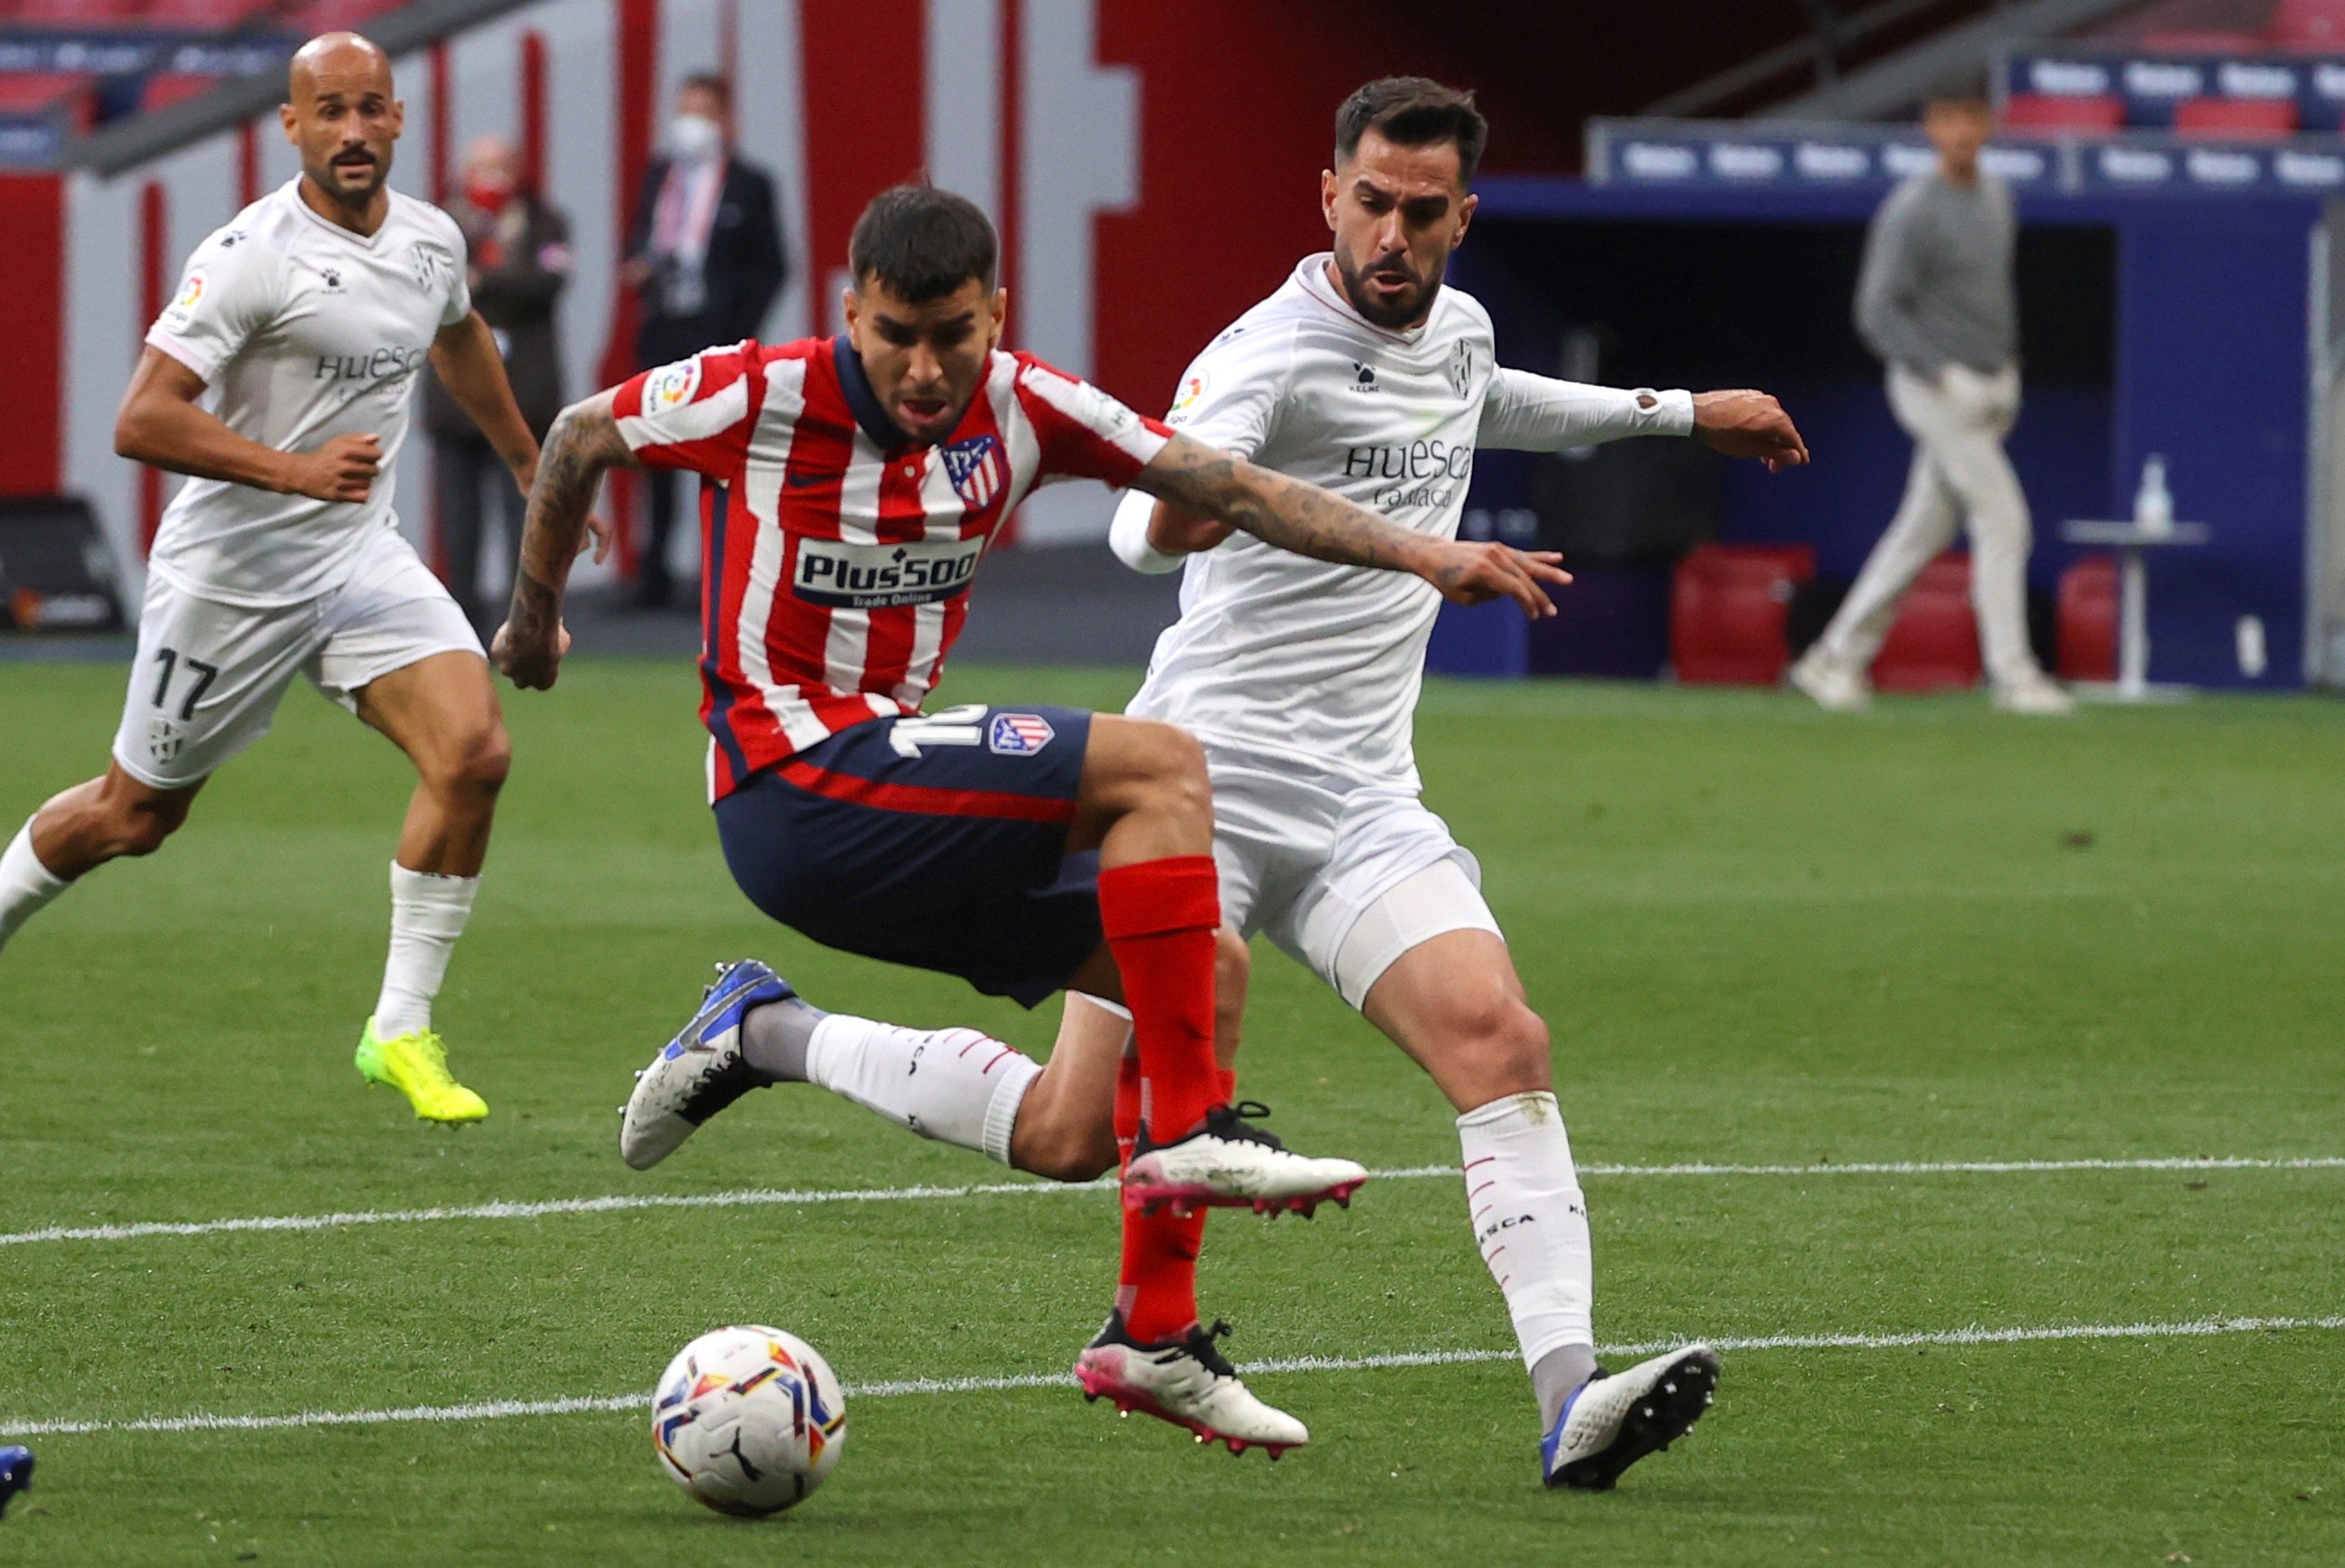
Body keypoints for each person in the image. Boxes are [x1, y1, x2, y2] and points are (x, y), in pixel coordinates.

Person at [494, 183, 1572, 1454]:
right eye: (896, 331)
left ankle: (1142, 1327)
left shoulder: (1028, 402)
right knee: (1161, 768)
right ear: (850, 313)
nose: (926, 364)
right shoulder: (763, 390)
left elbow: (1221, 483)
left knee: (1183, 986)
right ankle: (1190, 1133)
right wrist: (530, 618)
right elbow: (574, 437)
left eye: (955, 331)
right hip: (793, 784)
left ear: (995, 315)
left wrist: (1424, 553)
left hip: (899, 809)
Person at [1048, 77, 1806, 1491]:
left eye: (1423, 211)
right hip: (1192, 787)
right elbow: (1137, 548)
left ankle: (1572, 1397)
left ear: (1465, 213)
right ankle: (767, 1035)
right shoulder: (1263, 354)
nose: (1393, 235)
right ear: (1326, 196)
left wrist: (1680, 413)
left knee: (1499, 1038)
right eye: (1372, 204)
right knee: (1069, 1132)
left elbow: (1484, 399)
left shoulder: (1457, 325)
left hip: (1360, 800)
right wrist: (1182, 488)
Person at [0, 33, 581, 1124]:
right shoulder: (250, 254)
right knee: (133, 817)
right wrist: (296, 471)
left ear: (399, 119)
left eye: (371, 109)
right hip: (231, 577)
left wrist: (528, 460)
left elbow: (459, 338)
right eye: (330, 113)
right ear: (293, 127)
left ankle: (399, 1029)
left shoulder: (431, 239)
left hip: (358, 558)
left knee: (476, 752)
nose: (352, 131)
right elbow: (142, 417)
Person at [1790, 86, 2073, 716]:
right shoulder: (1912, 208)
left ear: (1988, 124)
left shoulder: (1998, 194)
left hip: (1993, 381)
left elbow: (1988, 292)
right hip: (1934, 388)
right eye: (1948, 119)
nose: (1961, 130)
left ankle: (1833, 658)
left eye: (1971, 117)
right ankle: (2015, 676)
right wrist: (1939, 368)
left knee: (1917, 537)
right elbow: (1876, 311)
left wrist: (2005, 363)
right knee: (2005, 521)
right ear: (1930, 128)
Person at [621, 73, 787, 609]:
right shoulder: (660, 176)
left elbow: (772, 266)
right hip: (664, 329)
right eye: (683, 109)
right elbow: (638, 239)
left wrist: (738, 331)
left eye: (702, 112)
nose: (689, 123)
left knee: (720, 457)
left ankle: (724, 577)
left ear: (724, 119)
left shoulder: (749, 184)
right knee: (658, 454)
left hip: (717, 338)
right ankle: (654, 577)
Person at [425, 133, 572, 634]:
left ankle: (526, 628)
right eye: (482, 169)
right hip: (454, 405)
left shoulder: (546, 221)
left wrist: (482, 282)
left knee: (524, 522)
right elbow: (435, 287)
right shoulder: (439, 224)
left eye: (500, 168)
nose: (492, 181)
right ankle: (461, 632)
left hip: (526, 399)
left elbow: (547, 283)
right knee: (459, 529)